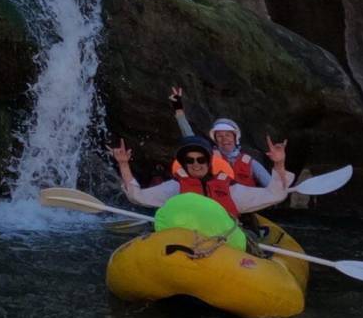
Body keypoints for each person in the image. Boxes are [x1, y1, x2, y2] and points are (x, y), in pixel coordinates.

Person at [109, 134, 288, 223]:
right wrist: (124, 164)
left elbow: (275, 195)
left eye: (201, 159)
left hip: (223, 242)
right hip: (185, 239)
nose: (196, 164)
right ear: (184, 164)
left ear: (209, 162)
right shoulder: (174, 188)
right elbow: (137, 196)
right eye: (190, 160)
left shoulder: (231, 190)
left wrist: (279, 164)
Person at [168, 86, 274, 188]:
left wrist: (279, 163)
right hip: (217, 204)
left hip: (246, 205)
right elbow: (189, 137)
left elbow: (272, 186)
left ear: (235, 137)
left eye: (228, 135)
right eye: (219, 136)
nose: (224, 139)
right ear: (215, 140)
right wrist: (179, 111)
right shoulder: (209, 156)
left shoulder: (251, 163)